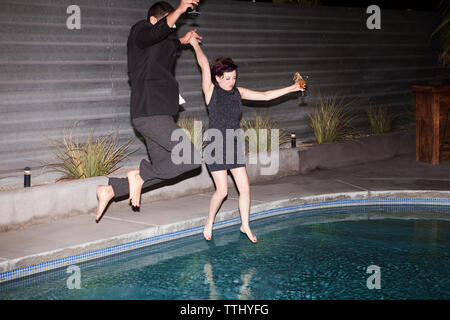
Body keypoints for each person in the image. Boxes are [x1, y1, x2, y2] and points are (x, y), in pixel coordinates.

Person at [189, 35, 304, 243]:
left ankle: (245, 224)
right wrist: (194, 43)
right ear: (217, 78)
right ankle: (209, 222)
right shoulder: (210, 91)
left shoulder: (238, 92)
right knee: (222, 191)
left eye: (234, 77)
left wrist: (292, 88)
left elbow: (266, 96)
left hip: (233, 144)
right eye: (227, 78)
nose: (231, 81)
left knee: (245, 188)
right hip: (214, 145)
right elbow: (204, 63)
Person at [95, 0, 202, 223]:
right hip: (150, 112)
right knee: (190, 157)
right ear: (154, 21)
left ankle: (112, 190)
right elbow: (155, 35)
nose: (169, 28)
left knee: (165, 168)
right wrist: (181, 9)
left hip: (156, 115)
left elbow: (169, 43)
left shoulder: (162, 43)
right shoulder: (140, 31)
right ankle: (137, 175)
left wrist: (185, 40)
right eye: (165, 23)